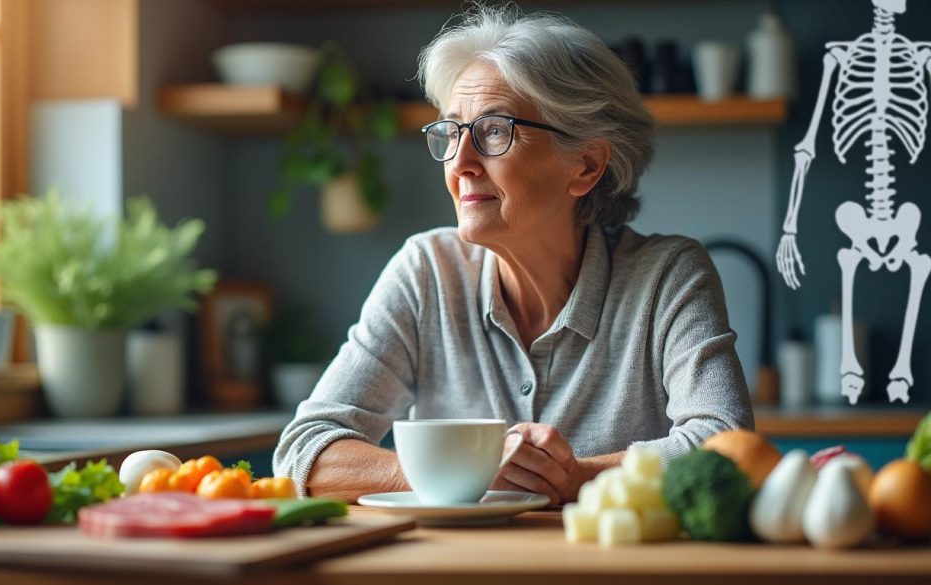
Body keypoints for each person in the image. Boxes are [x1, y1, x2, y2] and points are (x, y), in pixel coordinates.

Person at [273, 5, 753, 505]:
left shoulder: (667, 276)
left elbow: (729, 448)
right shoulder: (426, 272)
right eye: (452, 132)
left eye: (495, 131)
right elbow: (304, 450)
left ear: (586, 166)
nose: (460, 163)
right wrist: (462, 469)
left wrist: (578, 477)